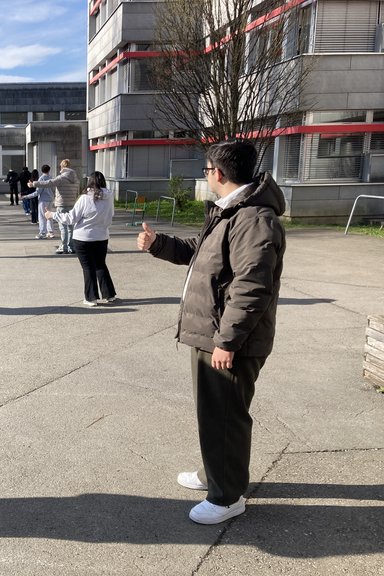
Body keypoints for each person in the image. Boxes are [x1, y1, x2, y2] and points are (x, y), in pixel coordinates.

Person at [136, 140, 286, 525]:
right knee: (213, 414)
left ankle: (227, 497)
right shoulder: (230, 211)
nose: (206, 176)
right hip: (214, 333)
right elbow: (199, 252)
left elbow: (252, 286)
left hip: (229, 340)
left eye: (205, 170)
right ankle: (215, 475)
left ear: (217, 173)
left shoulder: (253, 218)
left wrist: (227, 341)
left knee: (225, 417)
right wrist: (159, 245)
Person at [44, 171, 116, 306]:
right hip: (102, 237)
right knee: (100, 265)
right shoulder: (110, 197)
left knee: (88, 268)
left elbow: (71, 218)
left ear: (90, 182)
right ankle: (109, 294)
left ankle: (91, 298)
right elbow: (111, 214)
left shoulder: (85, 198)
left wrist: (52, 215)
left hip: (83, 238)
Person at [31, 159, 79, 254]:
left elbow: (48, 183)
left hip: (62, 204)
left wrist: (34, 183)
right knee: (70, 226)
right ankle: (71, 246)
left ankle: (63, 246)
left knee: (63, 226)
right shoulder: (76, 179)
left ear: (62, 167)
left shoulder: (61, 178)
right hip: (72, 204)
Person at [21, 164, 55, 239]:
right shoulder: (51, 178)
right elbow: (53, 189)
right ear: (49, 170)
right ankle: (50, 232)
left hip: (43, 200)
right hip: (50, 199)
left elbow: (37, 192)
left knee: (42, 217)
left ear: (42, 170)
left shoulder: (41, 178)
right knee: (49, 216)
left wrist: (26, 196)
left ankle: (42, 233)